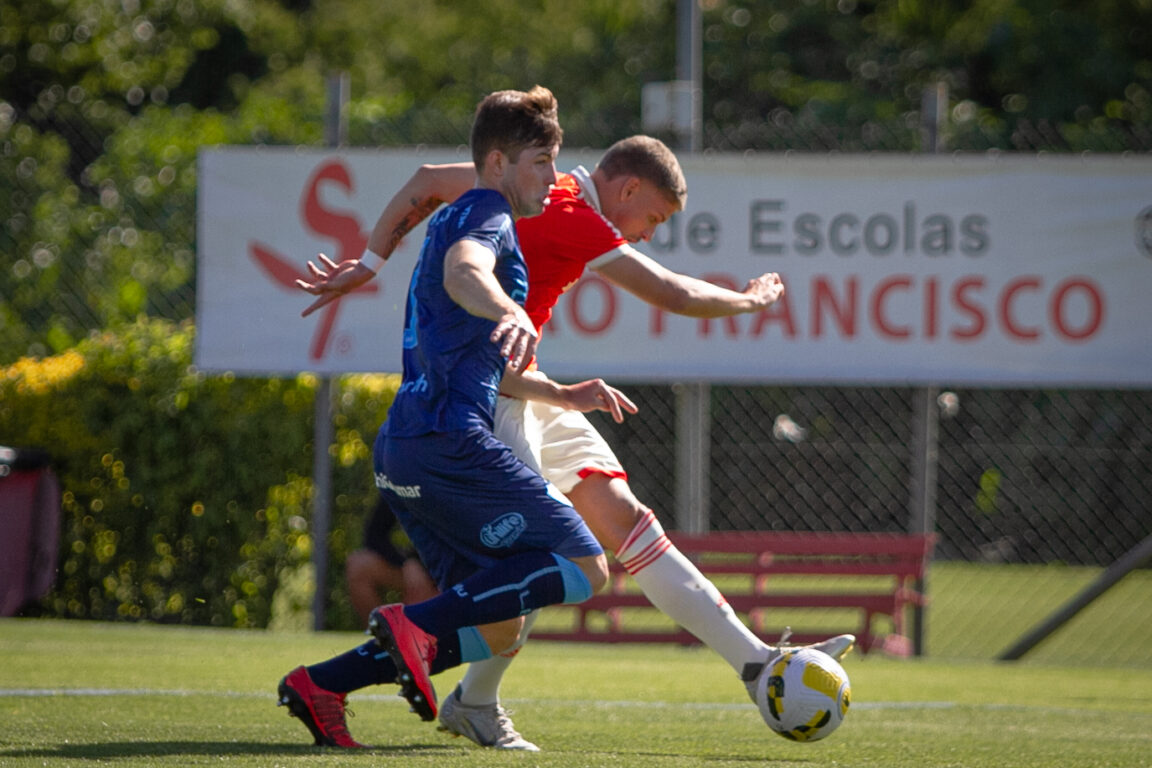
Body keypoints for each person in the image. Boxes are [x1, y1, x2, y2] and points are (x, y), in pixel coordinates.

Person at [297, 135, 854, 751]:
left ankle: (755, 664)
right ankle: (452, 697)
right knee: (546, 564)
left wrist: (371, 263)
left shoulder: (538, 187)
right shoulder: (572, 214)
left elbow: (427, 178)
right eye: (654, 219)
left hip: (530, 391)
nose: (647, 234)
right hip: (490, 402)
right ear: (628, 189)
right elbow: (675, 293)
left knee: (625, 520)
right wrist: (752, 299)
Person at [278, 85, 636, 749]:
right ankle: (411, 626)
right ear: (497, 163)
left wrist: (563, 394)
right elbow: (465, 273)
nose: (554, 180)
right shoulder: (486, 217)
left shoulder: (449, 215)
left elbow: (481, 358)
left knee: (492, 620)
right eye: (541, 163)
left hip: (405, 447)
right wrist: (510, 307)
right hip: (450, 445)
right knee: (583, 563)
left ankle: (321, 685)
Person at [345, 496, 437, 627]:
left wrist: (424, 568)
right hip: (418, 568)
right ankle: (383, 635)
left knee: (422, 600)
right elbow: (374, 535)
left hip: (454, 572)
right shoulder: (400, 481)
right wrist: (407, 563)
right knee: (358, 564)